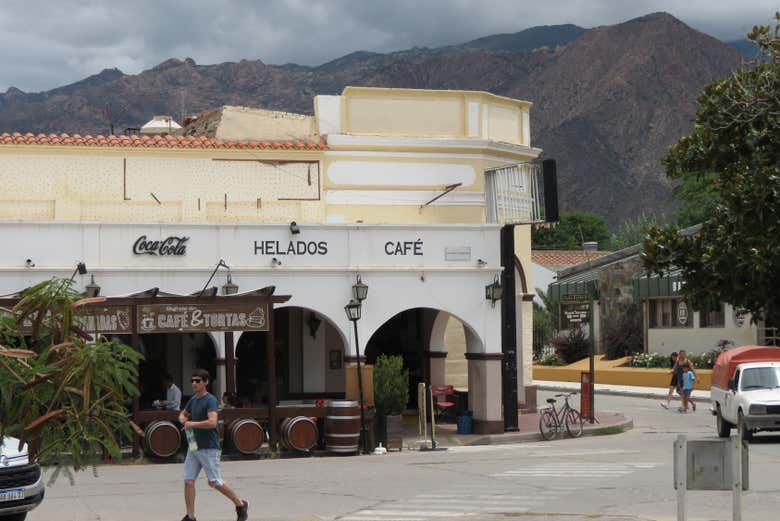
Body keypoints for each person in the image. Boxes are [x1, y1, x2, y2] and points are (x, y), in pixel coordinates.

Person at [179, 369, 249, 521]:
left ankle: (240, 504)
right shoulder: (193, 400)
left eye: (197, 381)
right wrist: (183, 419)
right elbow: (183, 414)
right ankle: (190, 516)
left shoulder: (210, 400)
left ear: (205, 382)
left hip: (209, 447)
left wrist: (192, 424)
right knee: (188, 480)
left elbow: (212, 423)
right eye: (192, 381)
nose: (194, 383)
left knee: (214, 482)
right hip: (194, 445)